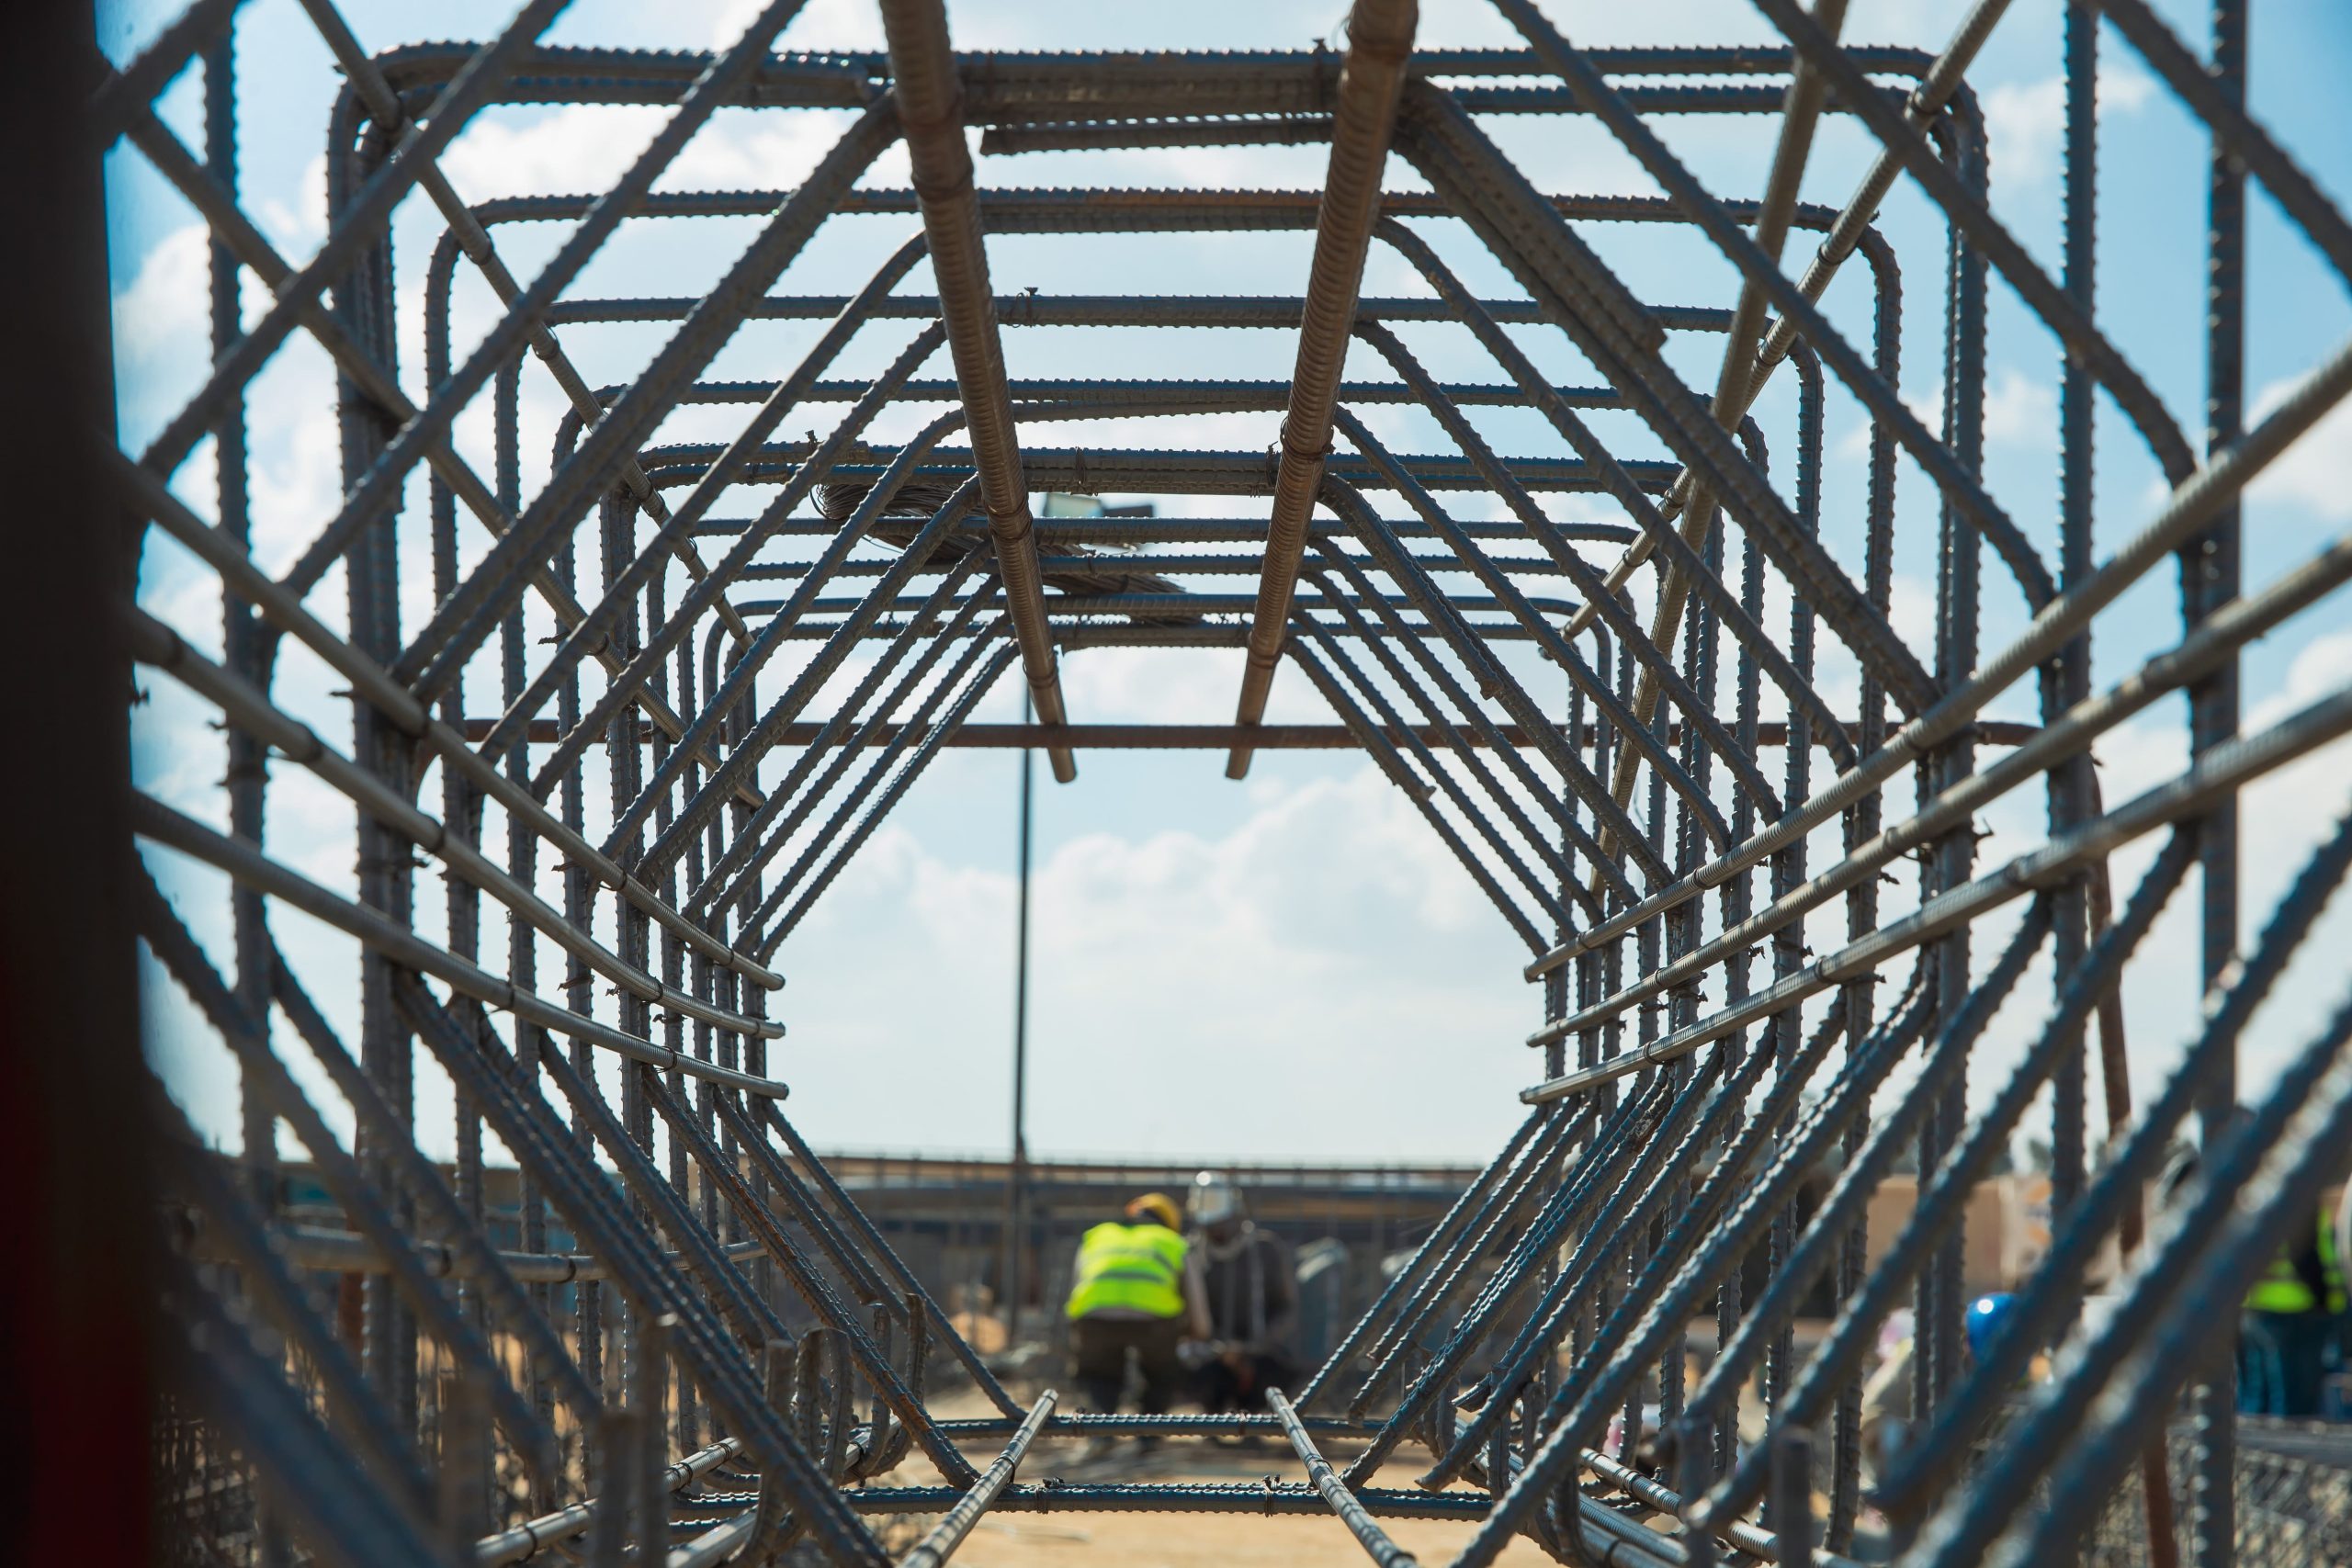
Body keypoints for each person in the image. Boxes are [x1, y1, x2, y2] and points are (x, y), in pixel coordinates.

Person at [1064, 1192, 1209, 1424]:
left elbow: (1077, 1284)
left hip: (1094, 1318)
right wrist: (1198, 1332)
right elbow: (1196, 1301)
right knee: (1161, 1375)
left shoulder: (1098, 1235)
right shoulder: (1173, 1242)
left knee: (1099, 1375)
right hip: (1156, 1323)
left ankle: (1100, 1430)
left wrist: (1078, 1329)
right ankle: (1148, 1433)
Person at [1185, 1172, 1301, 1414]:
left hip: (1261, 1351)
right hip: (1211, 1353)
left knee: (1276, 1370)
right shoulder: (1192, 1253)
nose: (1216, 1231)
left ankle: (1254, 1415)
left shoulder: (1265, 1249)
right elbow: (1185, 1311)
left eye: (1221, 1223)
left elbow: (1286, 1306)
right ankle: (1212, 1416)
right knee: (1191, 1367)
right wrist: (1220, 1349)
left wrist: (1252, 1348)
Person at [2240, 1201, 2346, 1418]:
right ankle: (2279, 1440)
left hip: (2257, 1307)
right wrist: (2324, 1300)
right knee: (2294, 1390)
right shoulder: (2298, 1203)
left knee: (2260, 1388)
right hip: (2296, 1309)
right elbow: (2307, 1257)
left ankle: (2254, 1442)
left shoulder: (2256, 1208)